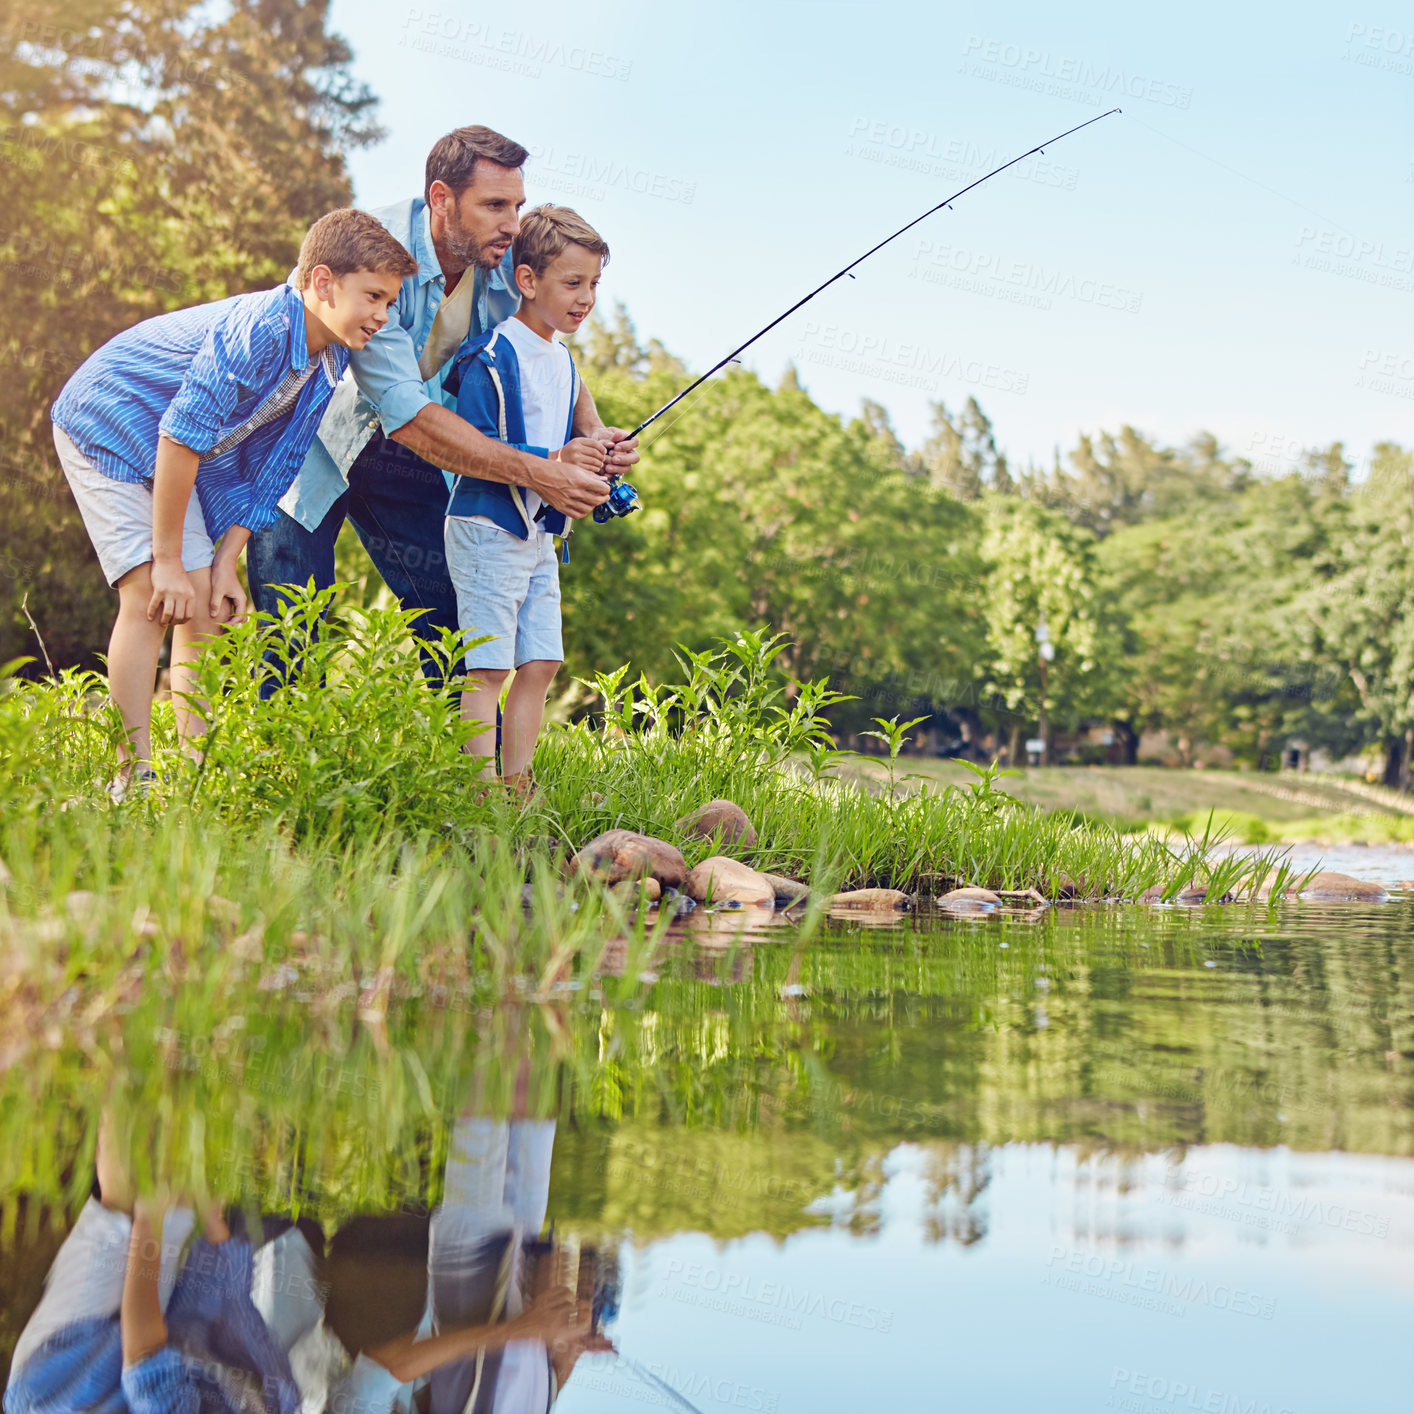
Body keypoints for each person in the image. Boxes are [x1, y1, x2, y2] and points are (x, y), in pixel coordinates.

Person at [246, 126, 639, 694]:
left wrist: (594, 430)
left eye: (518, 205)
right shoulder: (373, 253)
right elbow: (404, 411)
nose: (512, 223)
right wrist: (542, 471)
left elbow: (548, 341)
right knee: (292, 632)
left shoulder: (504, 258)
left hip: (409, 450)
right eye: (494, 205)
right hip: (310, 441)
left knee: (458, 630)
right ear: (441, 200)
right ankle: (271, 771)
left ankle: (464, 777)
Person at [50, 209, 416, 801]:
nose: (382, 314)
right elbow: (181, 434)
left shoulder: (331, 358)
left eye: (390, 301)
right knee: (150, 593)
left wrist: (225, 562)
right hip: (109, 422)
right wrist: (167, 557)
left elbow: (281, 462)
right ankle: (131, 776)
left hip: (169, 450)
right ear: (322, 283)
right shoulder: (261, 329)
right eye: (373, 295)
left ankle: (197, 771)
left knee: (203, 608)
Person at [443, 205, 610, 797]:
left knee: (540, 662)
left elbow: (565, 443)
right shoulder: (491, 355)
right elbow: (481, 447)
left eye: (593, 284)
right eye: (573, 283)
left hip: (541, 534)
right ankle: (479, 788)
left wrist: (596, 449)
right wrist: (560, 461)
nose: (585, 297)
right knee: (487, 667)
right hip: (487, 527)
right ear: (528, 280)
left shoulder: (564, 361)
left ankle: (518, 781)